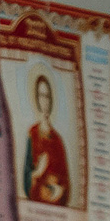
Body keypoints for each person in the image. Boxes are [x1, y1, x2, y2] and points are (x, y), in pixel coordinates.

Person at [25, 73, 72, 205]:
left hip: (55, 204)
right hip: (35, 203)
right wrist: (37, 172)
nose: (44, 101)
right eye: (41, 96)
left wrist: (60, 189)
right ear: (36, 98)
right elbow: (25, 177)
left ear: (51, 99)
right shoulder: (32, 133)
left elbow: (66, 181)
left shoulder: (57, 140)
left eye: (47, 96)